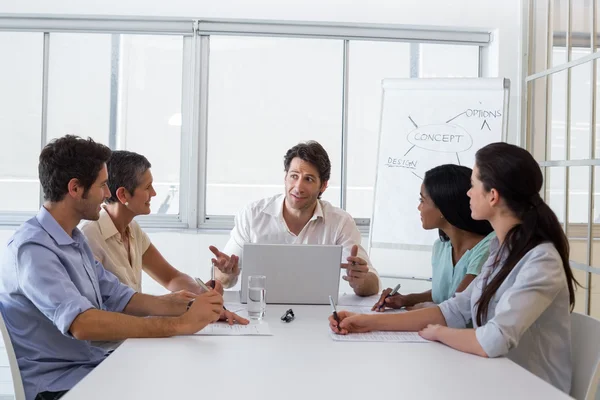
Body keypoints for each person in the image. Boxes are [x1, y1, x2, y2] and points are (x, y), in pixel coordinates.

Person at [329, 142, 578, 393]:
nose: (468, 193)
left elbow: (493, 339)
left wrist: (438, 333)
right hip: (494, 377)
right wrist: (367, 322)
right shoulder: (502, 251)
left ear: (493, 195)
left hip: (531, 389)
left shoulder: (541, 259)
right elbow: (455, 309)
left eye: (473, 185)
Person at [0, 136, 224, 400]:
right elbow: (82, 324)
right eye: (102, 185)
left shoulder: (73, 238)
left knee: (188, 375)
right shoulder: (33, 250)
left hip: (93, 367)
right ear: (75, 188)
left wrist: (193, 305)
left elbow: (119, 296)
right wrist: (179, 325)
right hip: (60, 386)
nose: (107, 194)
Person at [81, 150, 247, 325]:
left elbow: (171, 277)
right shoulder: (90, 236)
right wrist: (176, 305)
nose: (153, 193)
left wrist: (201, 291)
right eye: (147, 187)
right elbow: (96, 309)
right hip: (115, 342)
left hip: (135, 335)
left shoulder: (132, 229)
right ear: (123, 195)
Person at [210, 141, 380, 296]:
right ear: (285, 177)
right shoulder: (252, 216)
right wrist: (225, 273)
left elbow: (373, 285)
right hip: (259, 312)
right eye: (294, 176)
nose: (298, 187)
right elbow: (224, 281)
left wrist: (361, 281)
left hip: (319, 316)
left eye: (309, 179)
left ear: (323, 186)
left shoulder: (340, 222)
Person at [372, 164, 494, 311]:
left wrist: (420, 308)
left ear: (444, 207)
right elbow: (443, 295)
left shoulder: (488, 248)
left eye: (422, 200)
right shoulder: (441, 247)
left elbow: (457, 305)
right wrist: (405, 299)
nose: (419, 207)